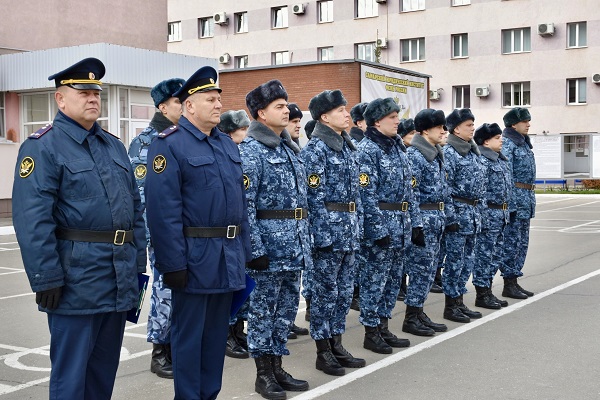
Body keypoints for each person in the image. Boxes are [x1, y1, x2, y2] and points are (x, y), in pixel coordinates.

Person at [12, 57, 147, 399]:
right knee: (71, 380)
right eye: (83, 91)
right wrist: (46, 278)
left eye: (96, 93)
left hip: (117, 278)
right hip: (75, 283)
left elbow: (135, 212)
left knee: (102, 376)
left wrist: (138, 266)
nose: (92, 98)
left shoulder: (114, 146)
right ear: (60, 98)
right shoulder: (43, 146)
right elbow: (32, 218)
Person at [145, 66, 251, 400]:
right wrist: (171, 264)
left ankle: (209, 395)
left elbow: (239, 204)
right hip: (193, 260)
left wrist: (245, 253)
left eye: (219, 98)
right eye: (210, 99)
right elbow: (163, 212)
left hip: (228, 257)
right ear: (189, 106)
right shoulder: (170, 145)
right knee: (189, 339)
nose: (218, 104)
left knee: (215, 338)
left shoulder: (226, 145)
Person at [240, 79, 311, 400]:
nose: (286, 110)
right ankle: (263, 374)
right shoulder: (251, 152)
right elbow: (245, 205)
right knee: (261, 313)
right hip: (267, 250)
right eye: (279, 106)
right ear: (260, 113)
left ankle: (278, 365)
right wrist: (254, 250)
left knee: (285, 310)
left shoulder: (289, 148)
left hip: (293, 247)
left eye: (286, 105)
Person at [300, 89, 365, 376]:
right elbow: (313, 199)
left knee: (343, 293)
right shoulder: (315, 151)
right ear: (324, 117)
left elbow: (357, 195)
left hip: (349, 232)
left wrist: (359, 228)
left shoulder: (347, 147)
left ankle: (337, 343)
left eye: (346, 109)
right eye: (340, 110)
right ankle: (323, 350)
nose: (347, 114)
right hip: (328, 236)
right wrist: (323, 238)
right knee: (325, 293)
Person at [128, 77, 184, 379]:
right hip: (160, 234)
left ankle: (176, 345)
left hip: (184, 230)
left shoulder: (182, 136)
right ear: (163, 106)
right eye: (178, 102)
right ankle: (160, 351)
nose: (184, 106)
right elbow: (140, 193)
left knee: (181, 292)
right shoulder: (146, 142)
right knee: (165, 292)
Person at [357, 97, 419, 354]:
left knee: (394, 280)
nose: (398, 121)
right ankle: (371, 331)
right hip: (381, 226)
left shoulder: (397, 148)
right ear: (377, 121)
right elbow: (366, 194)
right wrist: (377, 230)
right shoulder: (367, 150)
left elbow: (409, 190)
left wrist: (416, 224)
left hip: (401, 225)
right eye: (392, 117)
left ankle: (383, 325)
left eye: (397, 116)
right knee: (375, 280)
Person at [403, 108, 451, 337]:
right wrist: (416, 224)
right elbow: (410, 193)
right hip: (424, 219)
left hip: (436, 219)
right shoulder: (416, 155)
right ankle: (411, 317)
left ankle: (418, 311)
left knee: (430, 270)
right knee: (420, 270)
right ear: (424, 130)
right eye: (439, 126)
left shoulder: (434, 153)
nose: (444, 131)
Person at [441, 108, 486, 323]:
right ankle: (451, 305)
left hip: (473, 214)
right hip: (458, 214)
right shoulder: (449, 152)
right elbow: (445, 188)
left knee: (467, 261)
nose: (473, 128)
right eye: (469, 125)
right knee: (455, 262)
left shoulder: (472, 151)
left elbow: (481, 186)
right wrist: (450, 218)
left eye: (473, 124)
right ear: (456, 129)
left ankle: (459, 301)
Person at [217, 109, 253, 359]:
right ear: (231, 132)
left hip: (242, 232)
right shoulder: (227, 153)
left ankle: (238, 331)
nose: (246, 133)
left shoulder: (242, 153)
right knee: (230, 287)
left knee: (243, 287)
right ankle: (227, 334)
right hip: (227, 235)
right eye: (243, 129)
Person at [473, 123, 511, 309]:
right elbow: (480, 191)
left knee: (495, 255)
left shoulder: (500, 160)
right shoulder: (482, 161)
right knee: (484, 255)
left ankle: (488, 290)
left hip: (501, 214)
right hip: (489, 213)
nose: (501, 140)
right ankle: (482, 293)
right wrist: (484, 216)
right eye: (497, 138)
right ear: (486, 142)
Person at [500, 107, 536, 299]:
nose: (528, 124)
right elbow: (507, 175)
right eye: (525, 121)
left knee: (522, 243)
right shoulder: (508, 144)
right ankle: (508, 282)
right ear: (514, 124)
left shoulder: (523, 144)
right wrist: (510, 205)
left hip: (526, 199)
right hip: (516, 199)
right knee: (511, 243)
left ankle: (514, 279)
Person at [396, 118, 417, 301]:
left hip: (404, 217)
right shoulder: (410, 155)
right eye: (411, 134)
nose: (414, 137)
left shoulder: (402, 153)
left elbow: (410, 193)